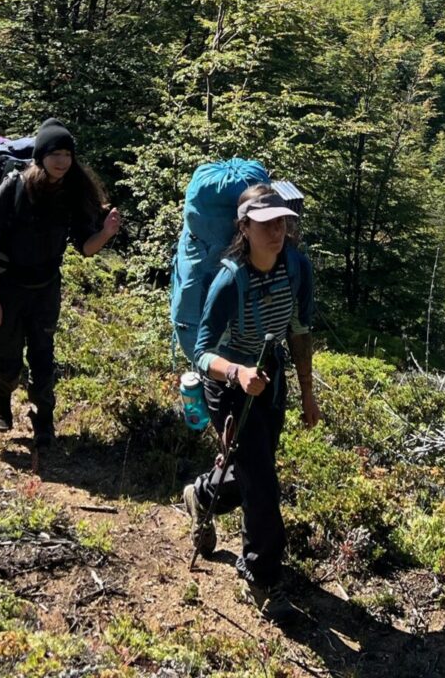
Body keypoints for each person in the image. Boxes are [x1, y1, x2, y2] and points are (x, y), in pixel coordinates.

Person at [181, 184, 319, 606]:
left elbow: (299, 331)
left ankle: (203, 494)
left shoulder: (296, 267)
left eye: (281, 221)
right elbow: (202, 353)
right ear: (245, 226)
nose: (277, 230)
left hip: (269, 379)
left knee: (256, 470)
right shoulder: (229, 280)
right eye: (265, 223)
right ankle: (261, 577)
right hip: (229, 387)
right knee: (263, 484)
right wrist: (237, 372)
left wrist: (308, 395)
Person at [0, 121, 121, 447]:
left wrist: (106, 233)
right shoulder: (15, 186)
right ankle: (1, 394)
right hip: (9, 286)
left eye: (67, 153)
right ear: (40, 155)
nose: (62, 160)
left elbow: (85, 247)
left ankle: (43, 420)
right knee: (8, 355)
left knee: (43, 355)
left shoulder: (72, 193)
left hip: (46, 288)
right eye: (55, 153)